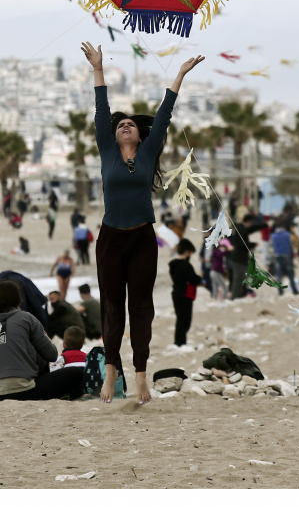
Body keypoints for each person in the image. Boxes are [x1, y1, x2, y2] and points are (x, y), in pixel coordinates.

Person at [83, 40, 205, 404]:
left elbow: (164, 114)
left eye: (130, 125)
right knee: (111, 307)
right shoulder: (106, 149)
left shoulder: (150, 152)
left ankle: (140, 378)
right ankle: (110, 373)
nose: (123, 126)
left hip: (141, 240)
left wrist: (179, 75)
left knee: (141, 308)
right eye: (120, 125)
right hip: (109, 239)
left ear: (140, 135)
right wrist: (98, 68)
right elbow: (101, 109)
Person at [0, 281, 84, 402]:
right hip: (21, 390)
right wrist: (44, 338)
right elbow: (52, 355)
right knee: (76, 373)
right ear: (18, 301)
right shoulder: (25, 318)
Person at [168, 239, 202, 347]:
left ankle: (180, 341)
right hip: (185, 294)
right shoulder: (185, 266)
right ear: (187, 252)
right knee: (184, 320)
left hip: (176, 293)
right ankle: (180, 342)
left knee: (180, 318)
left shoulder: (173, 265)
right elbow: (194, 279)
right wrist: (200, 278)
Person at [229, 213, 268, 300]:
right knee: (238, 280)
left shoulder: (241, 228)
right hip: (238, 260)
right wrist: (253, 244)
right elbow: (242, 244)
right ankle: (235, 298)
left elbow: (251, 229)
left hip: (240, 260)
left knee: (243, 279)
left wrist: (262, 226)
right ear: (249, 221)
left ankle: (241, 296)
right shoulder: (241, 229)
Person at [271, 225, 299, 295]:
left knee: (279, 276)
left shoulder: (273, 236)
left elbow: (271, 246)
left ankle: (280, 291)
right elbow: (291, 245)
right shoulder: (287, 235)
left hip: (277, 256)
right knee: (290, 274)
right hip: (287, 256)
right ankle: (294, 290)